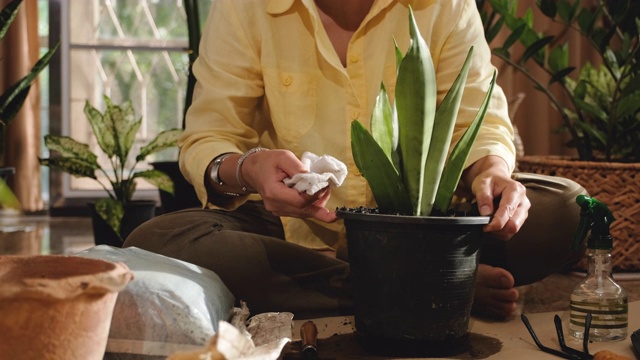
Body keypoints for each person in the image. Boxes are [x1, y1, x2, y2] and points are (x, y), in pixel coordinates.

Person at [124, 0, 586, 320]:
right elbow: (209, 137)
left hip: (427, 226)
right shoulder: (245, 8)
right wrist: (249, 168)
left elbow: (477, 119)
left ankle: (391, 280)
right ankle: (433, 288)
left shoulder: (444, 7)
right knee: (160, 238)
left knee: (565, 208)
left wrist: (492, 174)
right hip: (289, 234)